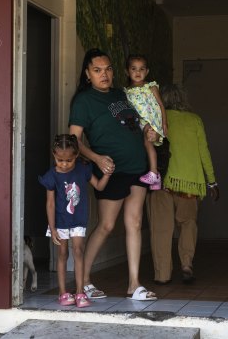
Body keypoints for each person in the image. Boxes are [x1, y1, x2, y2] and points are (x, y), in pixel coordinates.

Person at [68, 48, 157, 301]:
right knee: (106, 225)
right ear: (87, 74)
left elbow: (139, 121)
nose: (104, 74)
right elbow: (74, 140)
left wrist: (148, 131)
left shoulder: (121, 94)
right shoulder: (84, 101)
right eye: (97, 70)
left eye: (107, 69)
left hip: (137, 165)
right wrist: (96, 158)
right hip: (111, 170)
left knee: (135, 223)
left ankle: (134, 284)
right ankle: (83, 281)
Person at [147, 84, 219, 285]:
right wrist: (211, 181)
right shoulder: (194, 120)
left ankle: (162, 275)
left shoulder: (157, 119)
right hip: (189, 183)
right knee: (188, 225)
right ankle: (186, 264)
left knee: (161, 230)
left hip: (161, 182)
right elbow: (204, 152)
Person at [38, 134, 111, 308]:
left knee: (78, 251)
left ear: (77, 155)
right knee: (62, 254)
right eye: (59, 160)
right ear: (54, 155)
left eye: (68, 160)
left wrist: (108, 173)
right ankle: (63, 293)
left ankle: (80, 292)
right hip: (60, 221)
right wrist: (52, 227)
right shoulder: (51, 175)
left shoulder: (83, 169)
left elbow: (99, 186)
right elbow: (50, 203)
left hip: (78, 219)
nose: (64, 164)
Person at [124, 54, 168, 190]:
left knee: (148, 143)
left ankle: (154, 173)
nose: (138, 72)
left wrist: (165, 123)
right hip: (140, 122)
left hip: (152, 120)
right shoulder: (126, 92)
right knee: (147, 144)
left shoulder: (151, 87)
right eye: (134, 69)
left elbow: (161, 105)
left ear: (147, 71)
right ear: (127, 71)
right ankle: (155, 177)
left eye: (142, 69)